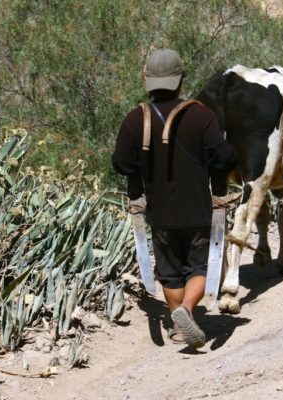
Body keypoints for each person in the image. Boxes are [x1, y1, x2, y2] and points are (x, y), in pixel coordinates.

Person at [112, 48, 237, 348]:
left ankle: (178, 326)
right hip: (197, 212)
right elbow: (224, 159)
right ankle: (186, 311)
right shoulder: (201, 115)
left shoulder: (134, 119)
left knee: (169, 274)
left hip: (160, 216)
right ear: (180, 81)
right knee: (200, 269)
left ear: (148, 81)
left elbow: (121, 164)